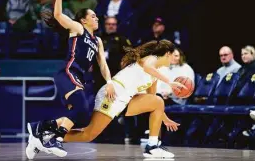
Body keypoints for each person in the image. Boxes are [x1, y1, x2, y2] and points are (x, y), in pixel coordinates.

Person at [29, 40, 185, 158]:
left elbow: (152, 99)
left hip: (124, 100)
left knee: (157, 101)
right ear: (168, 53)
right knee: (88, 135)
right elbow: (147, 67)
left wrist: (163, 118)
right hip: (113, 94)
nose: (173, 59)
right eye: (173, 55)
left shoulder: (155, 75)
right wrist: (170, 82)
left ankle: (152, 146)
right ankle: (47, 135)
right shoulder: (151, 59)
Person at [25, 0, 115, 159]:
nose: (97, 18)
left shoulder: (98, 40)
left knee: (83, 116)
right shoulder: (78, 28)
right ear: (83, 20)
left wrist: (110, 82)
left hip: (79, 76)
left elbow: (103, 65)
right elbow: (57, 14)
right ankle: (54, 139)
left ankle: (38, 128)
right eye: (93, 16)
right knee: (81, 107)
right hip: (68, 72)